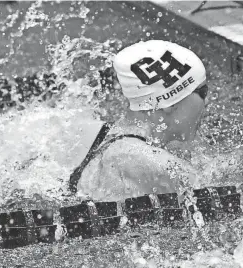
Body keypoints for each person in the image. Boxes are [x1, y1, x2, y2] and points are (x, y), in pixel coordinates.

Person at [70, 40, 209, 201]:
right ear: (168, 103)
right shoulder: (156, 165)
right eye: (202, 92)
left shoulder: (99, 137)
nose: (207, 102)